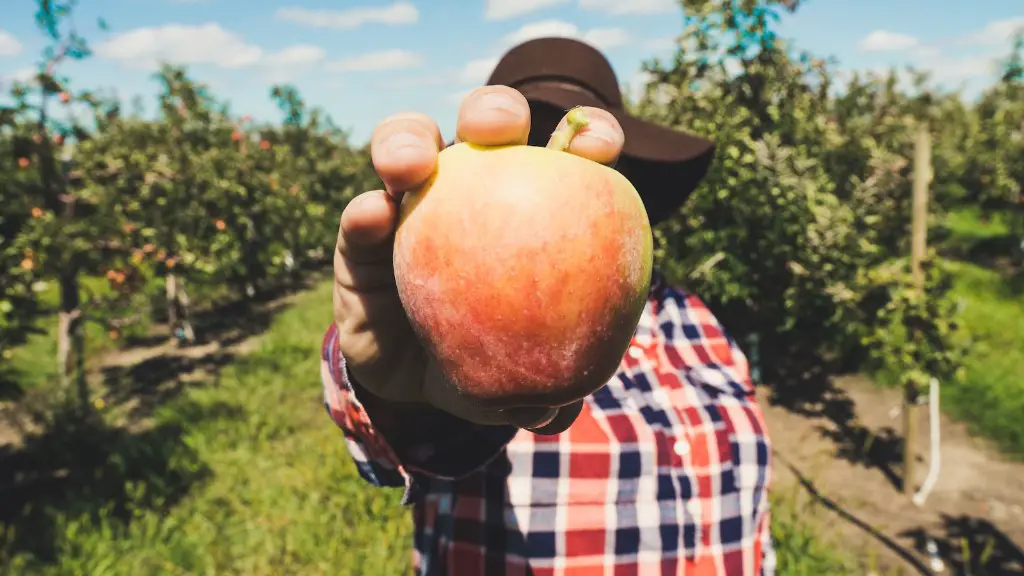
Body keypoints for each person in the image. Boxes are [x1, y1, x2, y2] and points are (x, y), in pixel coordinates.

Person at [322, 37, 775, 575]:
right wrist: (405, 396)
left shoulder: (697, 321)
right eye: (529, 144)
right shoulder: (455, 343)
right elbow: (419, 443)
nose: (547, 164)